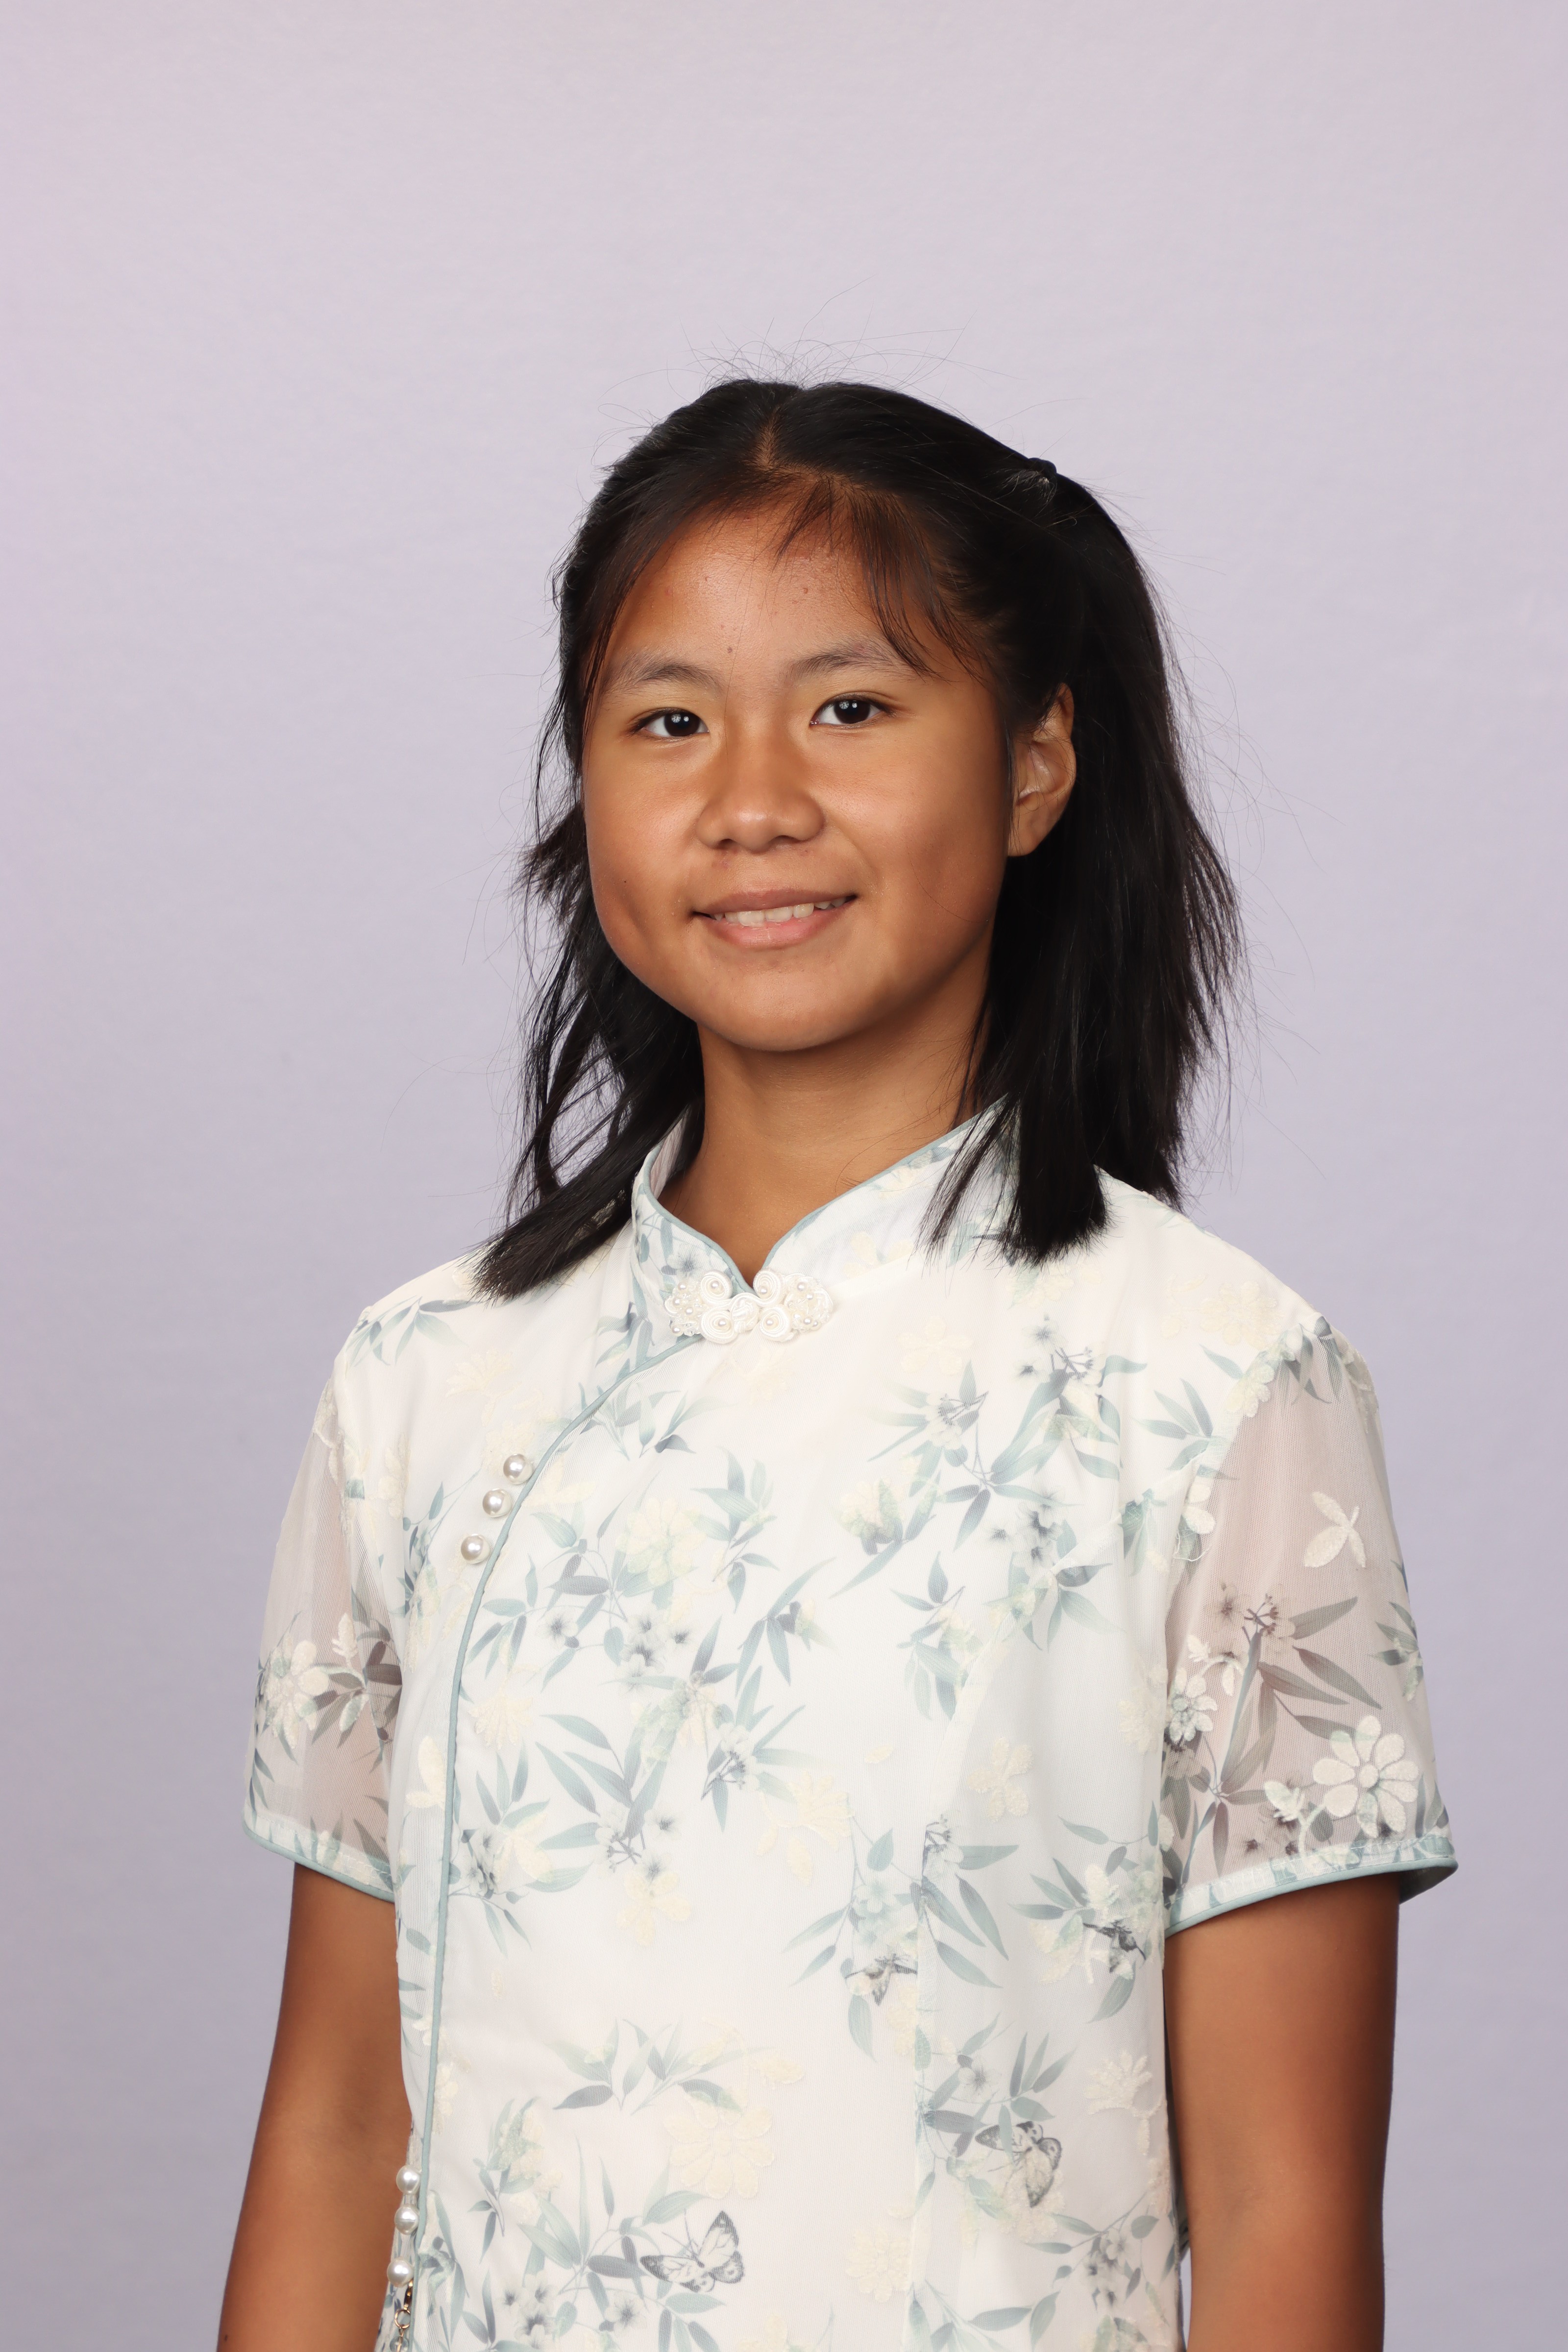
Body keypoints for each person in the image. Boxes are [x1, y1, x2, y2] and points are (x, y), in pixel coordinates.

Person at [220, 379, 1453, 2352]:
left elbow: (1279, 2207)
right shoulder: (426, 1382)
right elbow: (337, 2124)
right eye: (668, 721)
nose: (752, 801)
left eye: (853, 707)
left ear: (1036, 763)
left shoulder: (1218, 1388)